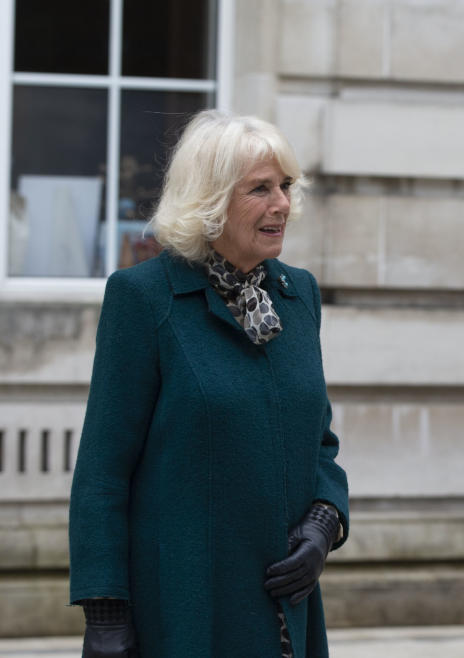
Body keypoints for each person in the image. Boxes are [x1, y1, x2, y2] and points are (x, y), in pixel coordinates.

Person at [68, 110, 349, 658]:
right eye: (260, 190)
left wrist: (323, 523)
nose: (282, 205)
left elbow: (321, 444)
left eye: (286, 187)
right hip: (182, 609)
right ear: (211, 199)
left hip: (284, 614)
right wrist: (104, 613)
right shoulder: (144, 298)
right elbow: (103, 468)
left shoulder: (298, 295)